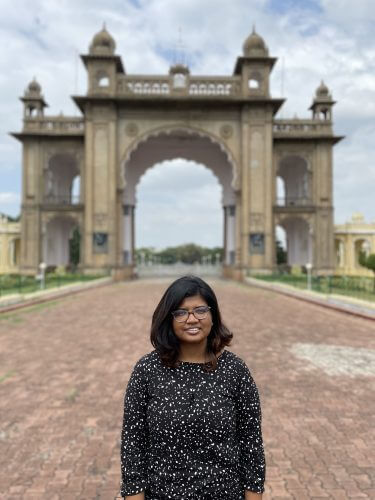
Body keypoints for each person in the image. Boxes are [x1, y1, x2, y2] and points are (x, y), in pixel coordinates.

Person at [120, 275, 265, 499]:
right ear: (168, 319)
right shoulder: (147, 370)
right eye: (180, 312)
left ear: (213, 315)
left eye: (200, 310)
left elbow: (251, 444)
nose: (191, 319)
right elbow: (133, 445)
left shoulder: (235, 371)